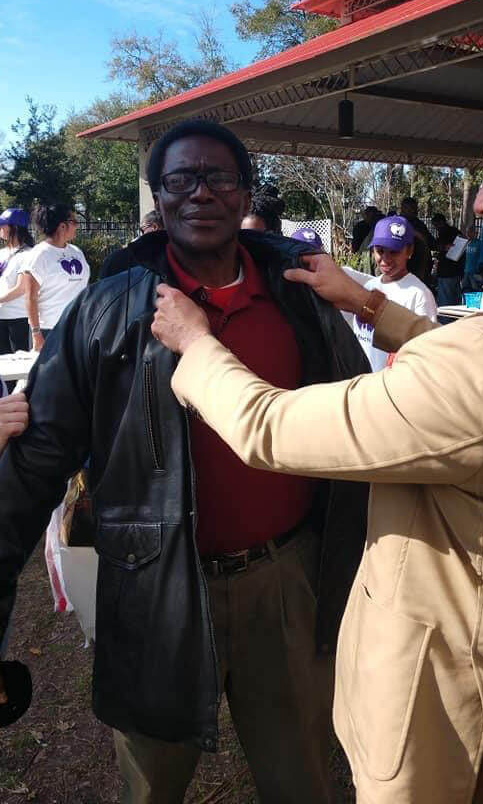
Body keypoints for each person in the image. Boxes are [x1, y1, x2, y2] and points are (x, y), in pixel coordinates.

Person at [151, 63, 483, 804]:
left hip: (465, 739)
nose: (481, 202)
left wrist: (197, 343)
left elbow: (270, 426)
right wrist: (371, 304)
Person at [0, 118, 369, 804]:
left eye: (218, 177)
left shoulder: (299, 298)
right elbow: (40, 460)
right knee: (150, 785)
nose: (200, 192)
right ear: (159, 200)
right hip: (153, 587)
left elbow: (360, 423)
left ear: (244, 192)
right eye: (180, 179)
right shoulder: (107, 314)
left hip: (285, 579)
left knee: (304, 780)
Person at [345, 215, 437, 371]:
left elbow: (425, 350)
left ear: (409, 251)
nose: (385, 259)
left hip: (392, 386)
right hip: (363, 383)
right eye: (380, 251)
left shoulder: (419, 294)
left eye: (394, 252)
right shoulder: (369, 287)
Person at [23, 204, 90, 352]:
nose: (77, 226)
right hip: (49, 329)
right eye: (74, 222)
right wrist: (36, 333)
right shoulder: (39, 255)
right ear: (62, 226)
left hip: (77, 327)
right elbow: (30, 297)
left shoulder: (77, 252)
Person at [0, 209, 34, 356]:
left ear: (14, 227)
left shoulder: (29, 254)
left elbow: (21, 288)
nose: (0, 228)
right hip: (1, 316)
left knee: (19, 363)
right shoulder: (2, 253)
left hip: (19, 318)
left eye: (3, 224)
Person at [99, 209, 165, 280]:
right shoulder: (174, 257)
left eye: (142, 230)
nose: (141, 235)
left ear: (154, 227)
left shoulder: (115, 259)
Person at [431, 212, 465, 307]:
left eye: (436, 225)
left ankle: (446, 320)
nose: (436, 228)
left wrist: (443, 248)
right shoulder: (455, 232)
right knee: (455, 299)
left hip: (447, 271)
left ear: (441, 223)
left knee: (445, 300)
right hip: (455, 270)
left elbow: (437, 246)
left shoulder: (446, 233)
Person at [400, 196, 435, 285]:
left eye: (415, 208)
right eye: (411, 208)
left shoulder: (418, 223)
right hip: (405, 267)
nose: (415, 211)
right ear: (403, 208)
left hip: (421, 266)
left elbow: (430, 242)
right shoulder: (396, 223)